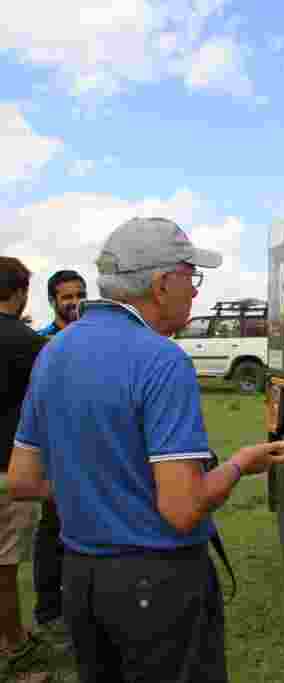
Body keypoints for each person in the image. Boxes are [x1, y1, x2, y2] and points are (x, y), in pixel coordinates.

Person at [7, 217, 284, 683]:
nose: (196, 292)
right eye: (190, 277)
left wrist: (98, 491)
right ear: (161, 284)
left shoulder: (53, 351)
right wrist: (241, 463)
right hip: (157, 581)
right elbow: (182, 508)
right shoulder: (162, 359)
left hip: (81, 577)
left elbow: (22, 479)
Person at [32, 269, 88, 652]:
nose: (74, 301)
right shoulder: (38, 342)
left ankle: (83, 612)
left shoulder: (92, 340)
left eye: (80, 294)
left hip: (89, 451)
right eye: (66, 296)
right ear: (52, 301)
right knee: (53, 531)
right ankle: (50, 610)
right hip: (54, 454)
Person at [0, 257, 47, 678]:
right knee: (4, 568)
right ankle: (14, 651)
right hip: (8, 469)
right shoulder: (28, 344)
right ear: (19, 293)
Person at [36, 270, 87, 337]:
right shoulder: (41, 340)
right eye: (67, 297)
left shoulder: (97, 335)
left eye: (81, 296)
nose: (76, 302)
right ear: (52, 301)